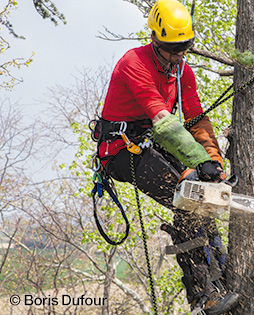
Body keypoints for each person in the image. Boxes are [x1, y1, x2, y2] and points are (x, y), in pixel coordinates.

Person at [93, 0, 238, 314]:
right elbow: (164, 121)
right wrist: (199, 160)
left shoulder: (181, 68)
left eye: (184, 48)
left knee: (201, 196)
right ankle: (202, 296)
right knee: (187, 201)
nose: (177, 56)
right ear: (156, 41)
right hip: (120, 151)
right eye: (172, 49)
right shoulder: (134, 63)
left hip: (149, 144)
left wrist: (213, 161)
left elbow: (195, 116)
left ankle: (220, 269)